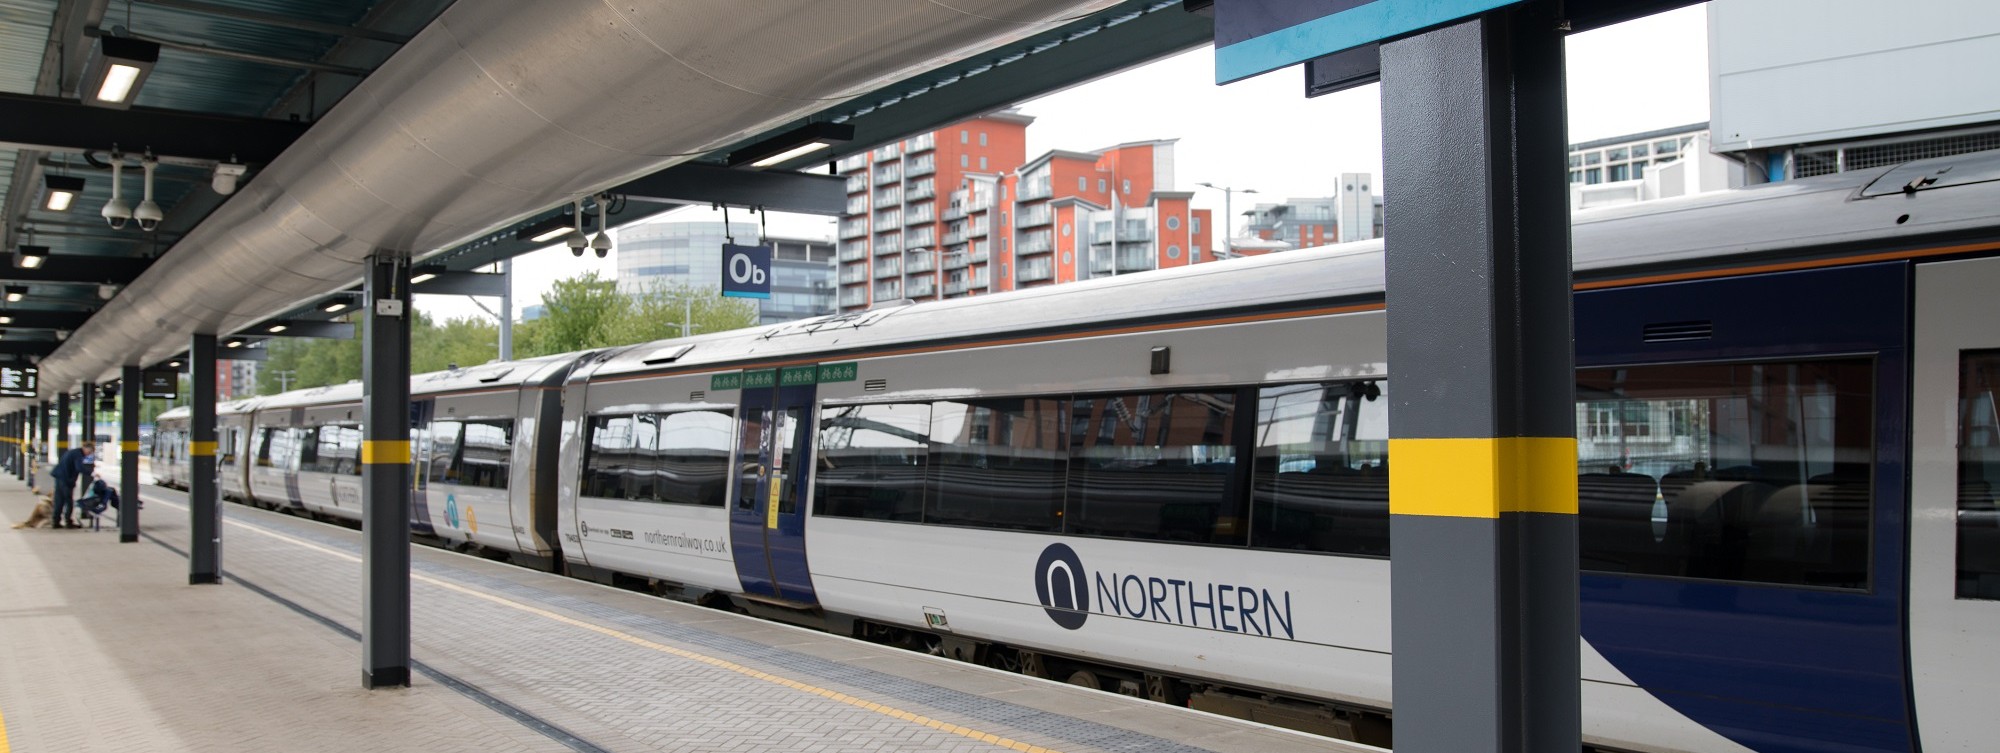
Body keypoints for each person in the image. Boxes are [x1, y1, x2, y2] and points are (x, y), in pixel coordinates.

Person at [50, 440, 94, 529]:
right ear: (85, 448)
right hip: (65, 480)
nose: (88, 455)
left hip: (59, 477)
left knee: (59, 500)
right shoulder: (78, 455)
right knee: (69, 501)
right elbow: (79, 467)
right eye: (89, 452)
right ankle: (68, 521)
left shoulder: (73, 452)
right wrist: (91, 473)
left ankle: (55, 521)